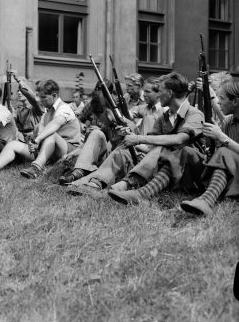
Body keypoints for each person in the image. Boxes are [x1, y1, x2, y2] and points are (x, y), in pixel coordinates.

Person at [108, 72, 205, 206]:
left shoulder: (194, 113)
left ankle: (130, 183)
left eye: (160, 91)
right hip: (170, 170)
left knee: (177, 148)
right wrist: (130, 137)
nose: (158, 95)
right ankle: (96, 182)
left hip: (193, 172)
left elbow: (179, 140)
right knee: (125, 148)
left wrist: (139, 138)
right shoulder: (164, 117)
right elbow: (150, 148)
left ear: (170, 93)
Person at [68, 77, 165, 191]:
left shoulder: (164, 113)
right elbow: (125, 117)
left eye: (148, 92)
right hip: (125, 148)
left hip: (142, 156)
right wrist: (116, 119)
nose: (144, 95)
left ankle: (90, 182)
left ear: (159, 93)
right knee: (96, 133)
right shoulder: (142, 108)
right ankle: (79, 172)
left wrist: (132, 136)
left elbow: (154, 146)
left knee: (122, 149)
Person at [180, 80, 239, 215]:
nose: (218, 102)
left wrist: (222, 138)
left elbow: (225, 148)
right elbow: (219, 153)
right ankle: (145, 190)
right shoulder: (228, 122)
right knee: (186, 151)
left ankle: (207, 200)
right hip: (228, 175)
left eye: (222, 98)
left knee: (224, 151)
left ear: (235, 102)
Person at [57, 79, 127, 185]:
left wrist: (101, 129)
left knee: (97, 134)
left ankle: (79, 173)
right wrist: (84, 127)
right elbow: (80, 120)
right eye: (96, 91)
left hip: (109, 151)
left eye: (100, 92)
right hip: (88, 145)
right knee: (68, 158)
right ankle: (76, 174)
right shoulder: (93, 104)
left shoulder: (115, 110)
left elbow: (117, 139)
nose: (97, 94)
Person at [12, 75, 44, 143]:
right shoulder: (18, 110)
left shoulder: (37, 107)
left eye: (22, 91)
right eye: (18, 91)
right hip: (22, 140)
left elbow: (32, 97)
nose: (19, 93)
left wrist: (20, 81)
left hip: (36, 141)